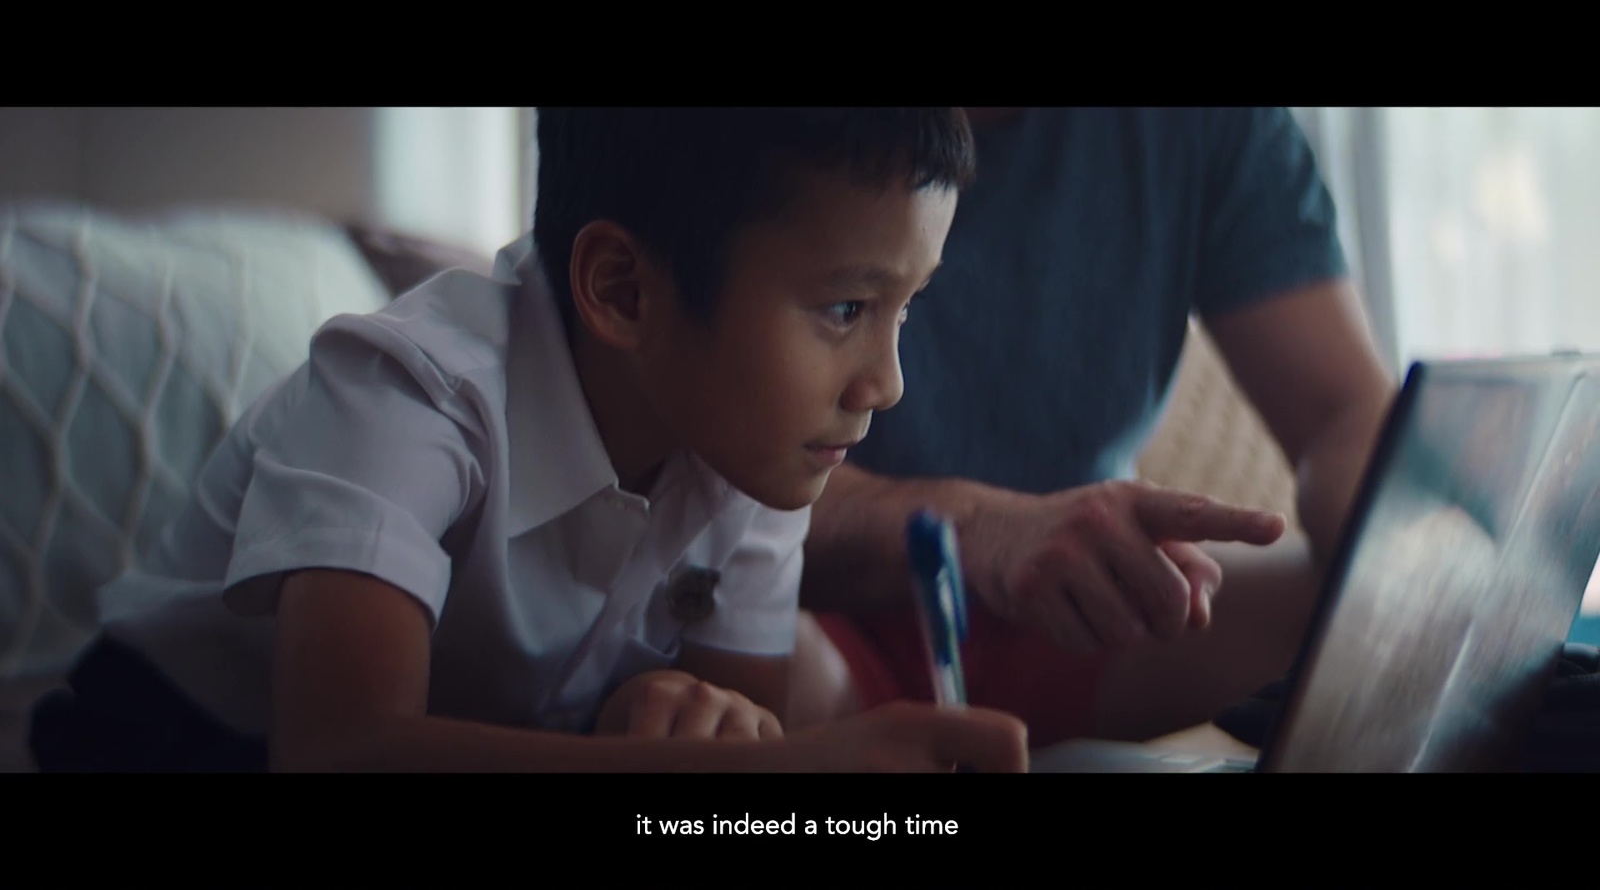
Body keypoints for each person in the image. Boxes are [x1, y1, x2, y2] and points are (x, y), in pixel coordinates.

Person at [28, 107, 1039, 773]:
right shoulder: (411, 393)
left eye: (901, 309)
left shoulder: (757, 455)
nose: (886, 381)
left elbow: (733, 741)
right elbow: (335, 748)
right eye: (846, 307)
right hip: (171, 742)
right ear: (622, 289)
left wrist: (692, 720)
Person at [788, 107, 1398, 746]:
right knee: (732, 642)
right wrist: (976, 528)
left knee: (1364, 625)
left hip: (1080, 613)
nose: (887, 384)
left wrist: (1416, 566)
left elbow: (1344, 413)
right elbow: (709, 483)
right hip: (815, 610)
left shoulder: (1209, 126)